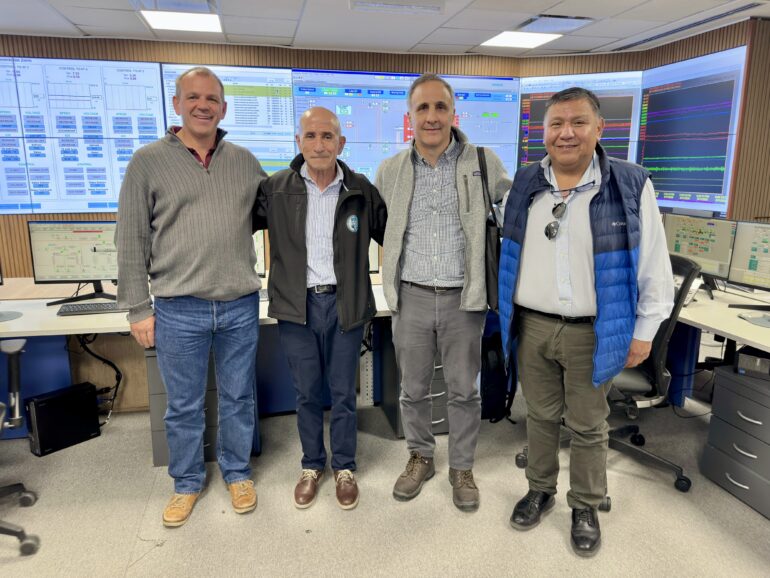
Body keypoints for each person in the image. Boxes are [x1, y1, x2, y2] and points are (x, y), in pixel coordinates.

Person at [498, 87, 674, 556]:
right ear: (543, 132)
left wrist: (644, 332)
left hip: (592, 329)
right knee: (539, 416)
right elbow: (509, 254)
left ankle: (585, 505)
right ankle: (540, 490)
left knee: (588, 424)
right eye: (556, 124)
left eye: (578, 122)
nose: (566, 133)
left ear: (599, 129)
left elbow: (653, 264)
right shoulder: (526, 182)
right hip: (532, 325)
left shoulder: (630, 184)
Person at [116, 66, 266, 527]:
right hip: (178, 308)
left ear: (224, 107)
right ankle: (186, 482)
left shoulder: (244, 161)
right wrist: (138, 308)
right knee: (183, 405)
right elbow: (131, 238)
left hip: (239, 304)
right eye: (193, 97)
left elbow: (277, 210)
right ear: (177, 103)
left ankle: (237, 473)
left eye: (212, 99)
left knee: (239, 397)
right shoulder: (147, 162)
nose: (203, 105)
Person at [375, 74, 512, 511]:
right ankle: (420, 456)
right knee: (412, 389)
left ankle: (462, 466)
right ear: (410, 116)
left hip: (463, 300)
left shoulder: (483, 163)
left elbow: (512, 214)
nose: (432, 116)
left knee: (463, 391)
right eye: (423, 108)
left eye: (440, 107)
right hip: (411, 296)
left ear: (454, 113)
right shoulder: (391, 170)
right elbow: (384, 230)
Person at [254, 107, 387, 510]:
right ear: (298, 142)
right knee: (307, 392)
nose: (319, 144)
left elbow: (394, 233)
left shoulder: (360, 189)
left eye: (327, 136)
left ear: (340, 143)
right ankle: (312, 465)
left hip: (345, 304)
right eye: (310, 136)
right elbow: (233, 227)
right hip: (298, 306)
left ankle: (344, 466)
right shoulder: (275, 188)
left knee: (344, 393)